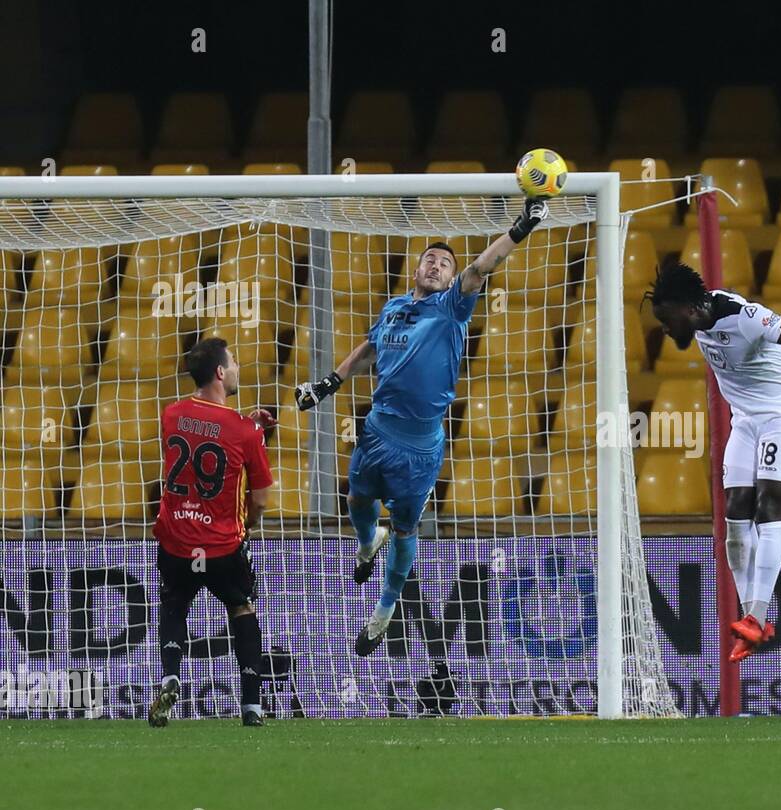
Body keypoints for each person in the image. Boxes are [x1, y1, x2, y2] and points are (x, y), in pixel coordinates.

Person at [295, 198, 550, 656]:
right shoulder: (393, 308)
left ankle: (385, 609)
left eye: (444, 263)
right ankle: (367, 540)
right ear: (415, 269)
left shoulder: (452, 307)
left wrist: (519, 229)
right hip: (375, 429)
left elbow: (479, 269)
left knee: (407, 528)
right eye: (429, 259)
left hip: (418, 447)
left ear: (451, 278)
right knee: (356, 499)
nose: (436, 265)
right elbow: (369, 347)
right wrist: (328, 383)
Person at [645, 263, 781, 661]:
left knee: (768, 506)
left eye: (667, 320)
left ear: (689, 310)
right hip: (746, 420)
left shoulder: (745, 318)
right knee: (734, 512)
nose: (666, 329)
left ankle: (758, 617)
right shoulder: (701, 319)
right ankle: (750, 618)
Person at [149, 338, 276, 728]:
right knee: (241, 608)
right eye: (233, 362)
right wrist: (248, 526)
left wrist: (248, 427)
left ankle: (171, 675)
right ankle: (251, 706)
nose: (237, 368)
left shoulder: (171, 414)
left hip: (176, 539)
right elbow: (261, 499)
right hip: (221, 544)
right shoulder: (244, 431)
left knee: (174, 605)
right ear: (221, 372)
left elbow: (203, 430)